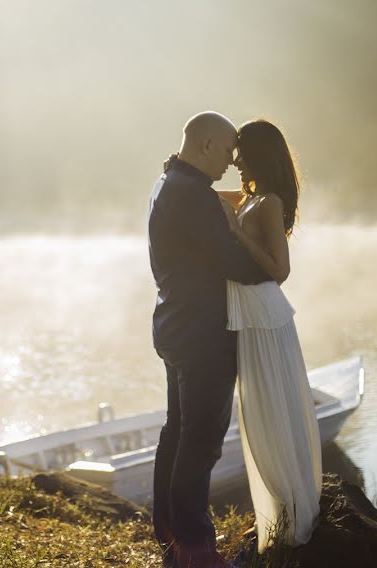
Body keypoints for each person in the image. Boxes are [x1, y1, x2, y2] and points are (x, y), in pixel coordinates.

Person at [147, 111, 271, 568]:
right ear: (204, 146)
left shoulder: (170, 184)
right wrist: (273, 265)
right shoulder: (190, 193)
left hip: (176, 328)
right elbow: (234, 263)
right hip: (202, 335)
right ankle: (197, 551)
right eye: (226, 151)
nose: (230, 160)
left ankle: (173, 539)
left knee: (177, 434)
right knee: (200, 443)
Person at [218, 119, 322, 554]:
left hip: (266, 319)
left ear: (260, 155)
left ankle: (295, 520)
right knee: (260, 417)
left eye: (241, 153)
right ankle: (280, 517)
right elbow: (209, 197)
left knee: (274, 415)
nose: (235, 161)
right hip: (250, 319)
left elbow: (280, 271)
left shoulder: (270, 201)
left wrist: (237, 233)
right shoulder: (252, 197)